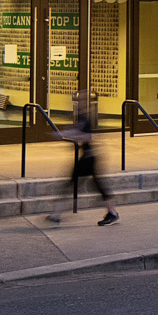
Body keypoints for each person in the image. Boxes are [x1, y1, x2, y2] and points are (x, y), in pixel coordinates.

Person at [47, 90, 118, 226]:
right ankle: (112, 212)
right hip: (87, 155)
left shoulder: (89, 118)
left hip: (91, 156)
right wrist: (67, 134)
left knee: (78, 183)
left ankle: (56, 214)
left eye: (80, 101)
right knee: (89, 183)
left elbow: (88, 137)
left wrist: (68, 134)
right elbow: (78, 131)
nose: (77, 103)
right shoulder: (81, 116)